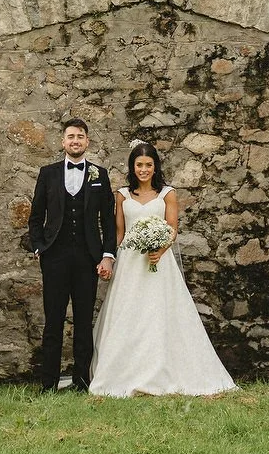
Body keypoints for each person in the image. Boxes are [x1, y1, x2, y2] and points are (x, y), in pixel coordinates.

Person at [88, 141, 237, 397]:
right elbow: (120, 234)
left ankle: (167, 370)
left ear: (155, 166)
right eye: (139, 165)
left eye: (148, 165)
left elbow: (172, 228)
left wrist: (160, 248)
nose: (143, 170)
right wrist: (111, 259)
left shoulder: (167, 193)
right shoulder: (123, 195)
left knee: (160, 314)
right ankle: (121, 373)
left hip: (159, 261)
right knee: (128, 315)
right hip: (131, 264)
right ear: (132, 167)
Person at [28, 117, 116, 392]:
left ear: (87, 142)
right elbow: (35, 216)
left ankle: (82, 382)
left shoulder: (99, 174)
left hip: (87, 258)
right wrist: (39, 247)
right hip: (54, 256)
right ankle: (48, 384)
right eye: (71, 136)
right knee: (53, 321)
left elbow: (108, 221)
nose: (75, 141)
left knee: (83, 321)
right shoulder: (48, 173)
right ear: (63, 141)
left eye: (80, 136)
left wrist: (107, 255)